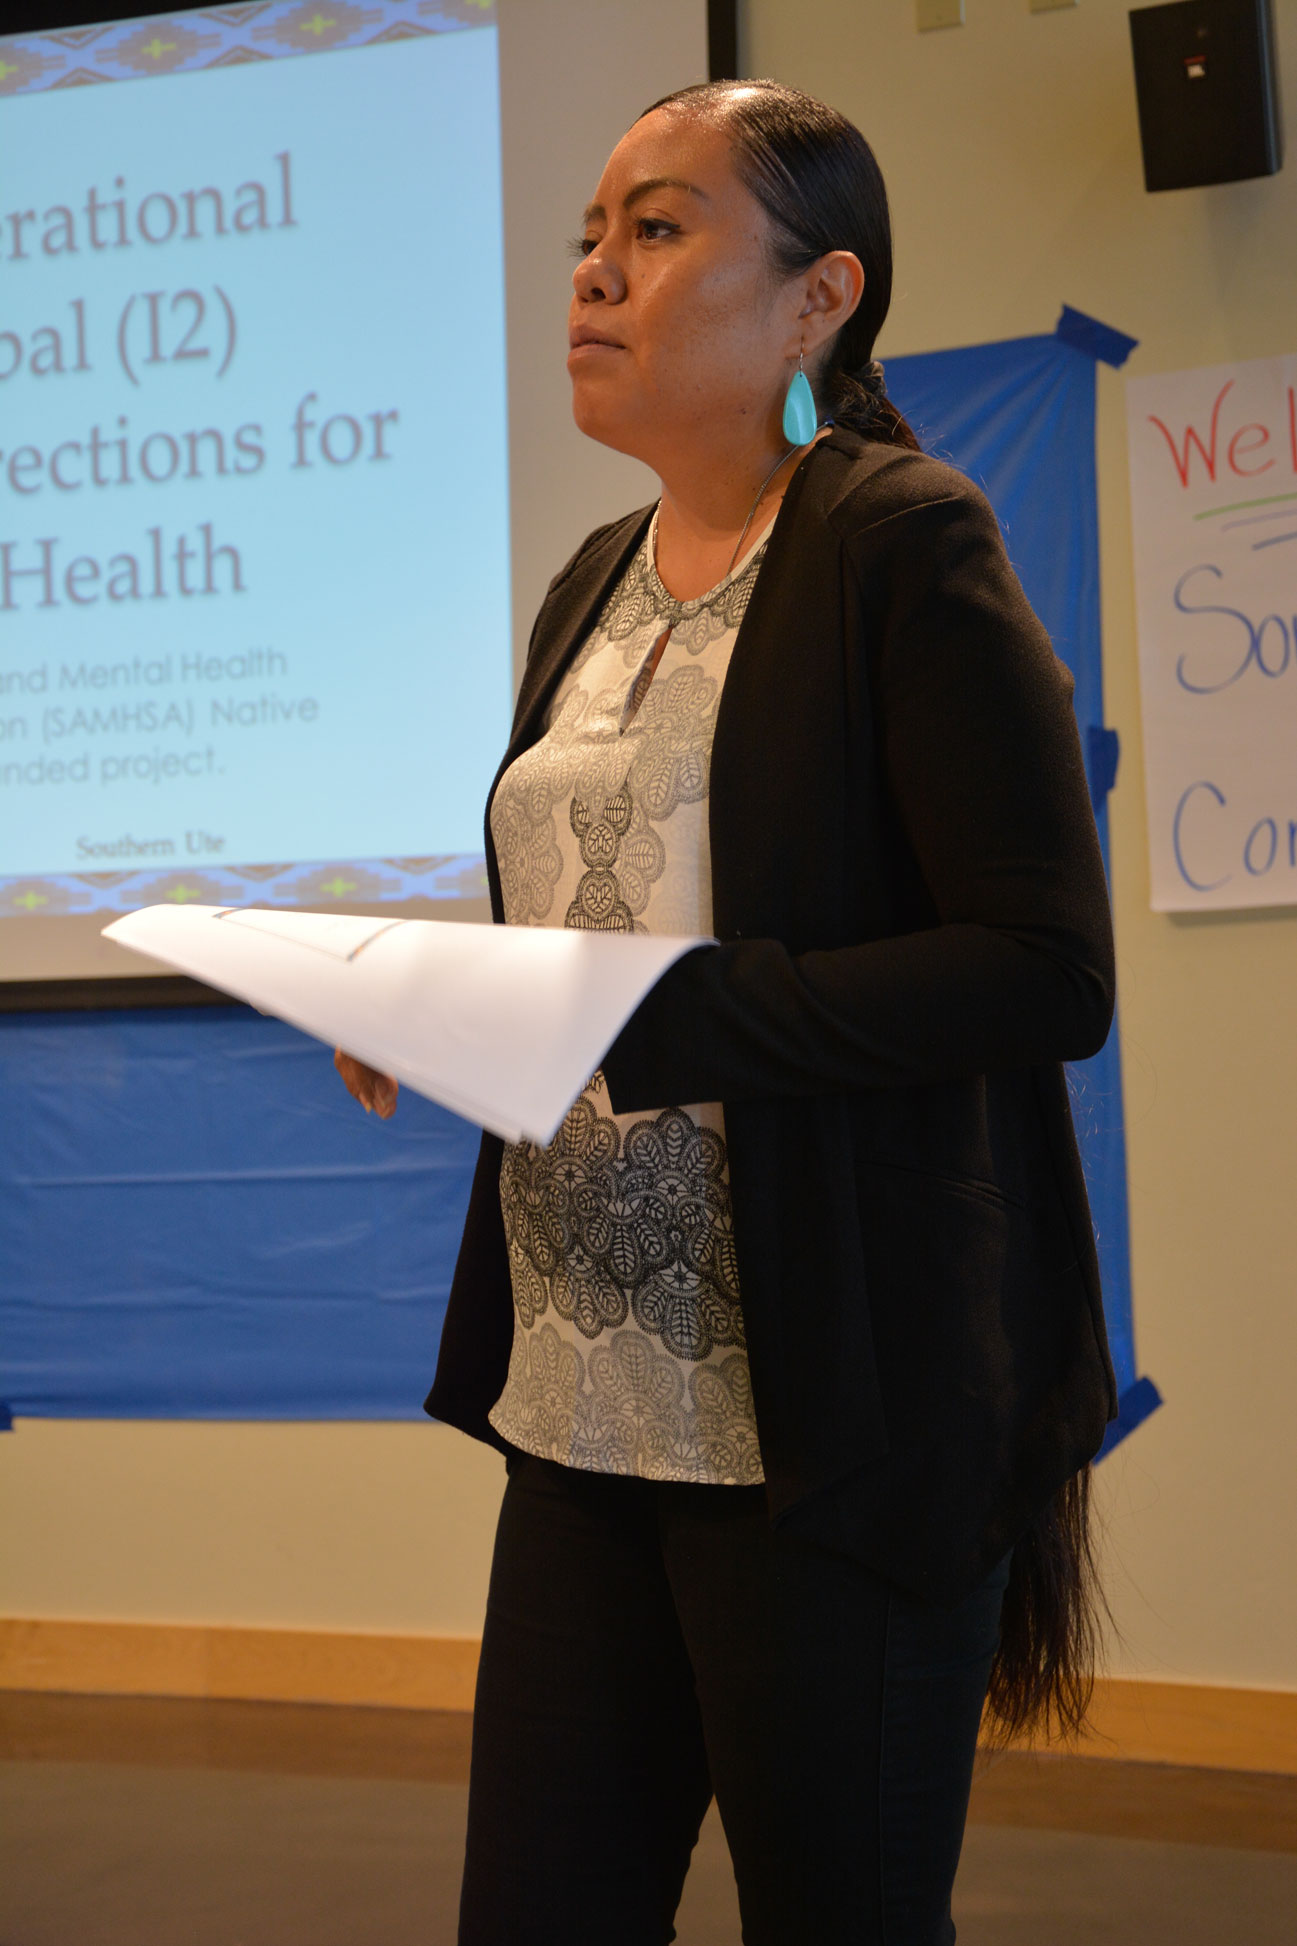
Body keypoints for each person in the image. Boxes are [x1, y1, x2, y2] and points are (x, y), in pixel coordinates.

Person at [336, 78, 1117, 1946]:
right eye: (589, 234)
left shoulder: (897, 541)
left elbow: (1040, 966)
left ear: (815, 298)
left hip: (823, 1418)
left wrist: (647, 1014)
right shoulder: (587, 586)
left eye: (658, 227)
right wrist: (444, 999)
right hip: (582, 1403)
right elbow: (604, 922)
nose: (594, 270)